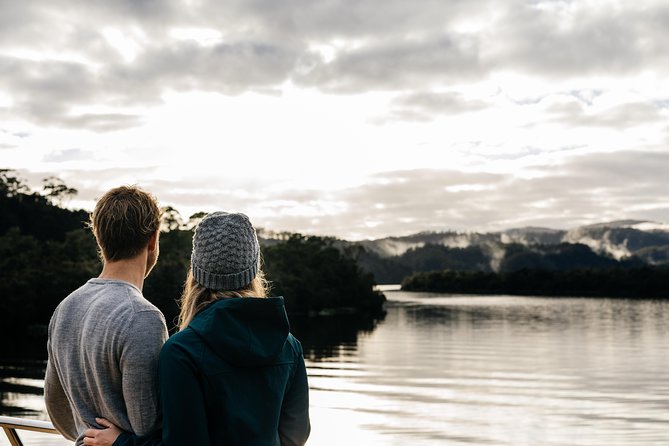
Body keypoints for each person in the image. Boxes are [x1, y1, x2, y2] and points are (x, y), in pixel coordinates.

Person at [83, 211, 311, 446]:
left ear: (196, 272)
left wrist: (120, 442)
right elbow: (296, 435)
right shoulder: (290, 347)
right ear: (254, 271)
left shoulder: (181, 352)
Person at [45, 186, 168, 446]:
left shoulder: (65, 308)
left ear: (99, 238)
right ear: (153, 240)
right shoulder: (142, 317)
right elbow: (146, 424)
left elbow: (56, 406)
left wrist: (86, 431)